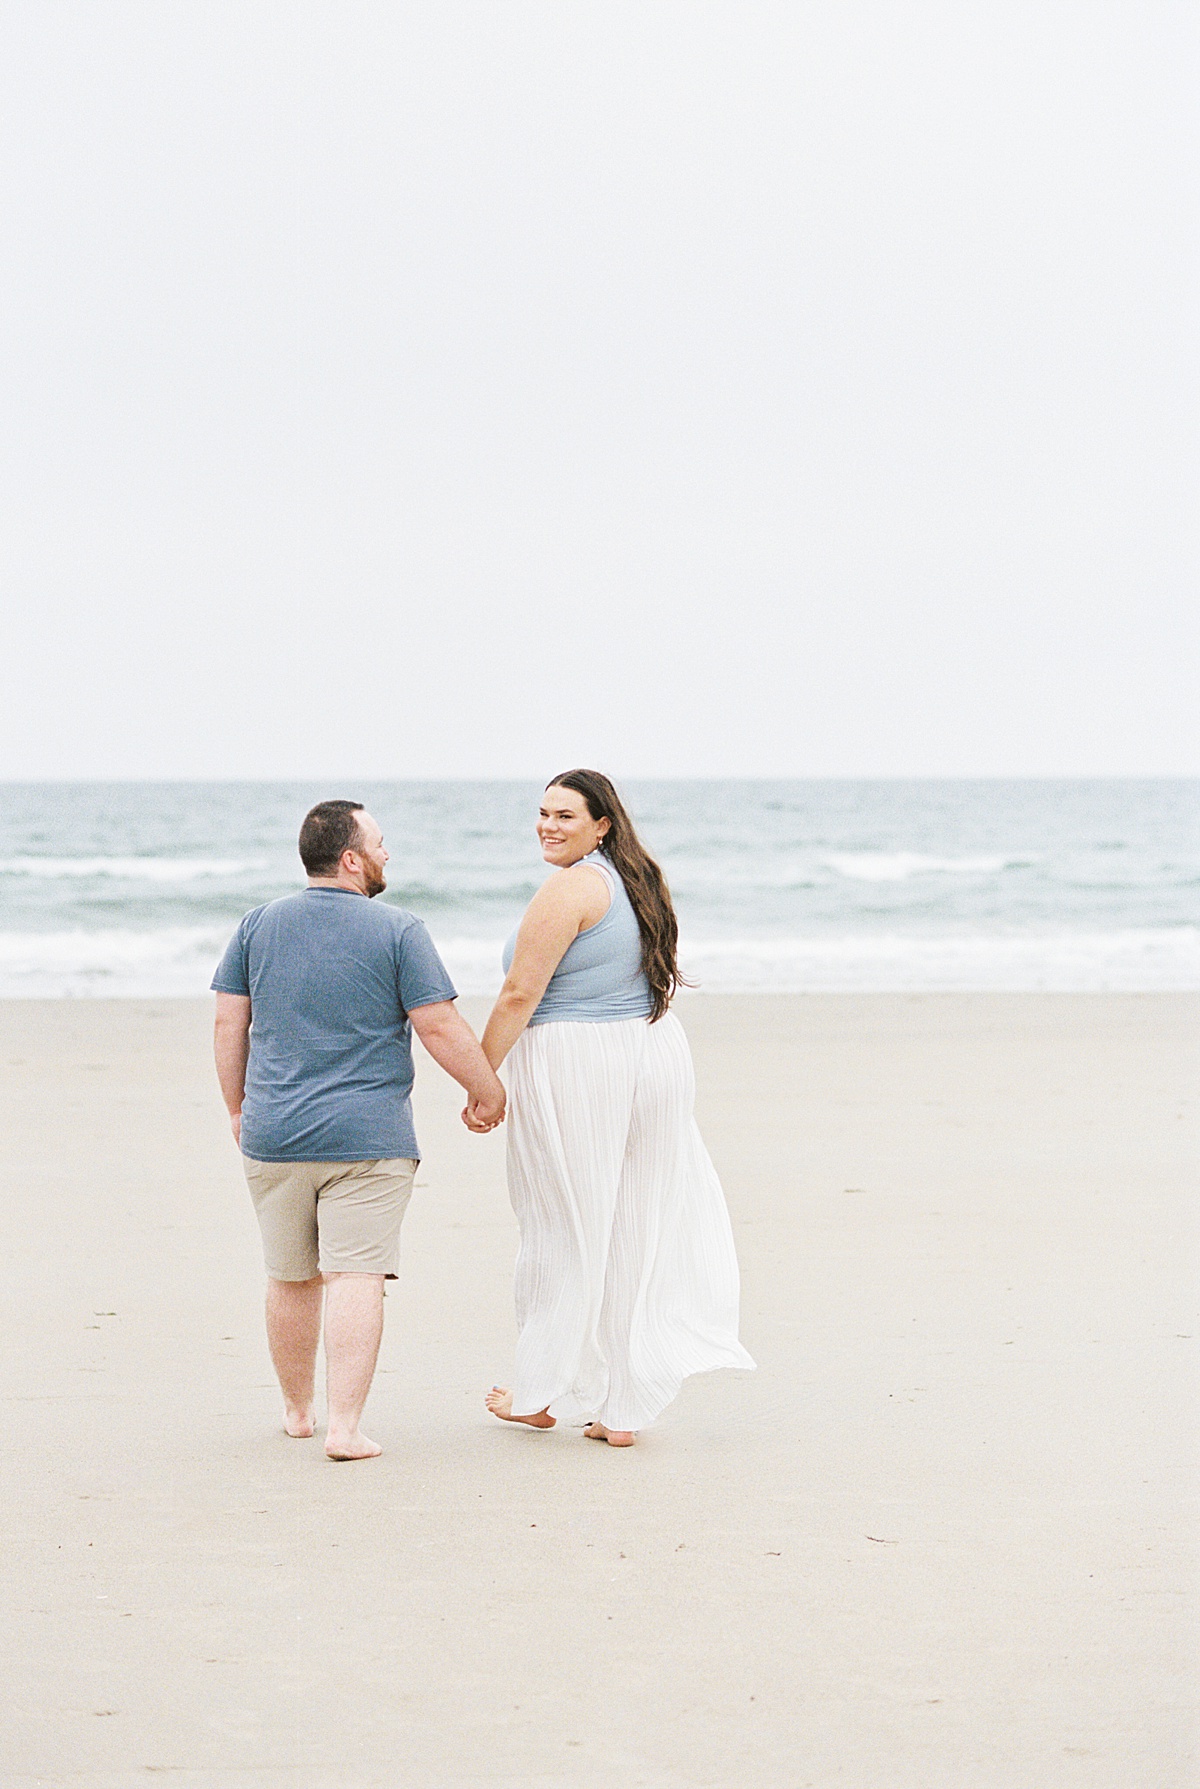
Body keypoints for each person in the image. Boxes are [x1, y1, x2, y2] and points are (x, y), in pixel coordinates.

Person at [213, 799, 505, 1461]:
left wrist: (237, 1106)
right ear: (351, 857)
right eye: (379, 842)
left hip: (275, 1131)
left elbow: (230, 1024)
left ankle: (296, 1411)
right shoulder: (400, 930)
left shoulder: (257, 925)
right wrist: (486, 1088)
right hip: (368, 1138)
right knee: (355, 1276)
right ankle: (344, 1427)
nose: (387, 853)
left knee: (290, 1277)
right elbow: (437, 1026)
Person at [476, 770, 754, 1446]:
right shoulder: (635, 879)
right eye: (542, 812)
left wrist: (480, 1076)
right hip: (650, 1050)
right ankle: (621, 1408)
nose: (547, 824)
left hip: (581, 1060)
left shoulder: (572, 885)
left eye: (564, 814)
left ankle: (540, 1395)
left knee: (560, 1226)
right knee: (633, 1225)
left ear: (601, 823)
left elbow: (519, 992)